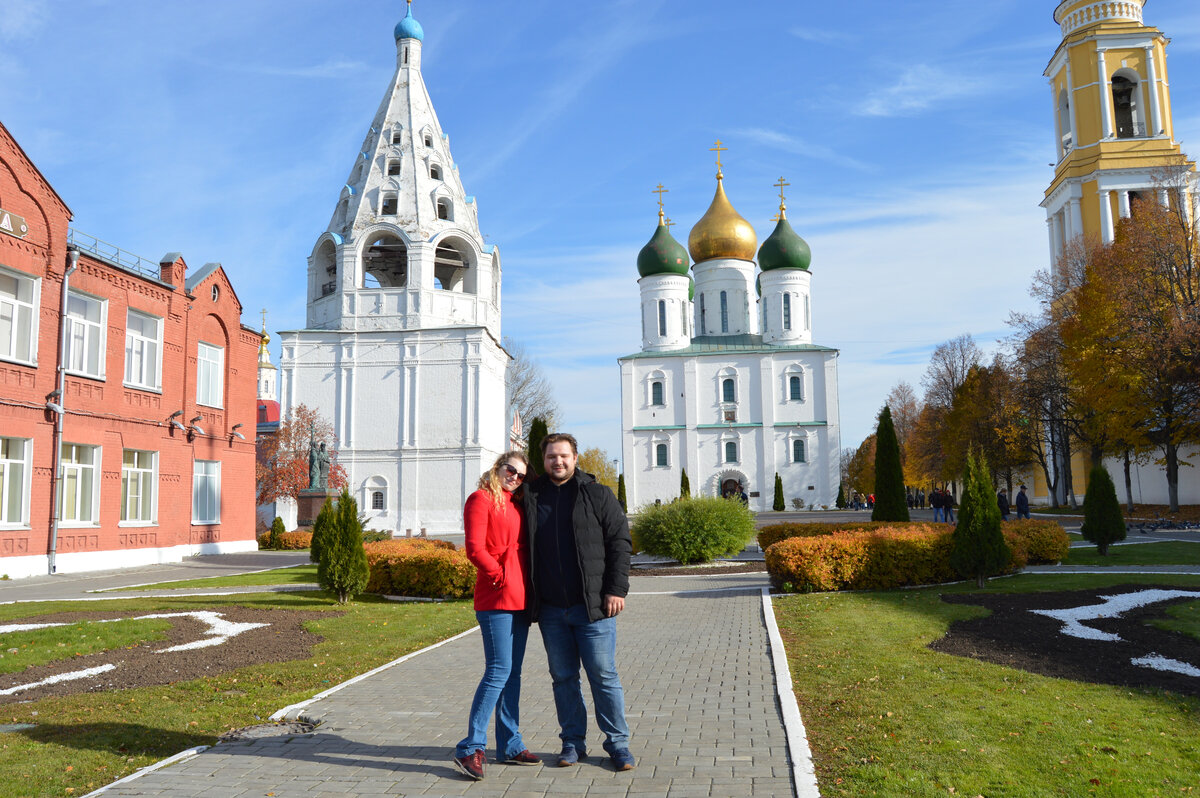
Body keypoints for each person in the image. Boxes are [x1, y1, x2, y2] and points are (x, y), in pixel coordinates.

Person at [523, 433, 636, 771]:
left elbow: (620, 541)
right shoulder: (531, 496)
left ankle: (618, 745)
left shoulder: (597, 493)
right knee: (563, 678)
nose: (557, 462)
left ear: (575, 458)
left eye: (563, 456)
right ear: (542, 461)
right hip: (552, 609)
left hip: (594, 608)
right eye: (551, 457)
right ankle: (573, 743)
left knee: (603, 675)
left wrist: (616, 590)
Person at [453, 451, 539, 781]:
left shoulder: (516, 502)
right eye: (510, 470)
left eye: (521, 474)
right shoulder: (481, 498)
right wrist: (497, 573)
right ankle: (470, 746)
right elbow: (475, 548)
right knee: (498, 670)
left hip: (520, 598)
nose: (515, 477)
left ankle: (510, 744)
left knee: (512, 673)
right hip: (496, 596)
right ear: (498, 467)